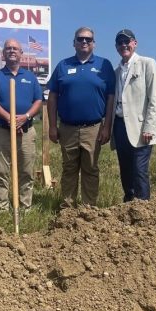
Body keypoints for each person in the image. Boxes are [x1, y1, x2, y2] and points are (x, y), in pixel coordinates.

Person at [47, 27, 115, 207]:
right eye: (80, 39)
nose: (84, 42)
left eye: (88, 39)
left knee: (91, 168)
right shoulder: (63, 65)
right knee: (69, 168)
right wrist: (52, 126)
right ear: (74, 42)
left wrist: (107, 126)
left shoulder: (104, 65)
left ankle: (89, 207)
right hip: (67, 127)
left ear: (94, 43)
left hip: (93, 127)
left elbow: (111, 97)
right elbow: (52, 96)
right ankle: (68, 208)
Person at [0, 39, 43, 212]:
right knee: (1, 172)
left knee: (26, 171)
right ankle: (2, 207)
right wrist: (9, 118)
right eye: (8, 48)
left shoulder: (30, 77)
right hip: (1, 130)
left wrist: (24, 117)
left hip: (26, 131)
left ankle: (25, 207)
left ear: (21, 53)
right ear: (3, 54)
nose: (12, 51)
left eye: (15, 49)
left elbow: (38, 100)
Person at [111, 29, 156, 201]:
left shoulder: (147, 63)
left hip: (141, 129)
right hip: (119, 126)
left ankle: (144, 208)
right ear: (116, 47)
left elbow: (154, 97)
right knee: (125, 169)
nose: (124, 45)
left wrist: (149, 126)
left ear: (135, 43)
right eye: (120, 42)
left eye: (127, 41)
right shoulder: (116, 71)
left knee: (139, 171)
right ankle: (129, 204)